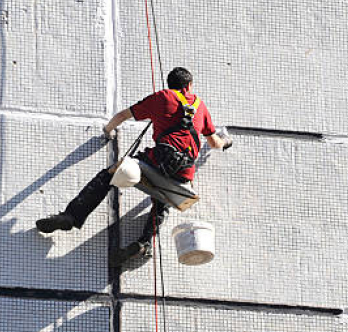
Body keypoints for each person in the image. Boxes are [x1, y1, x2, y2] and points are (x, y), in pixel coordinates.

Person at [36, 67, 231, 266]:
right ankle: (144, 244)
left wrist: (107, 130)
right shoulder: (201, 106)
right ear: (189, 86)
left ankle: (71, 216)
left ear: (169, 84)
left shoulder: (162, 97)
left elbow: (123, 115)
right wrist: (227, 142)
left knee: (110, 174)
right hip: (184, 171)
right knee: (162, 202)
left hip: (159, 159)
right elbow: (214, 142)